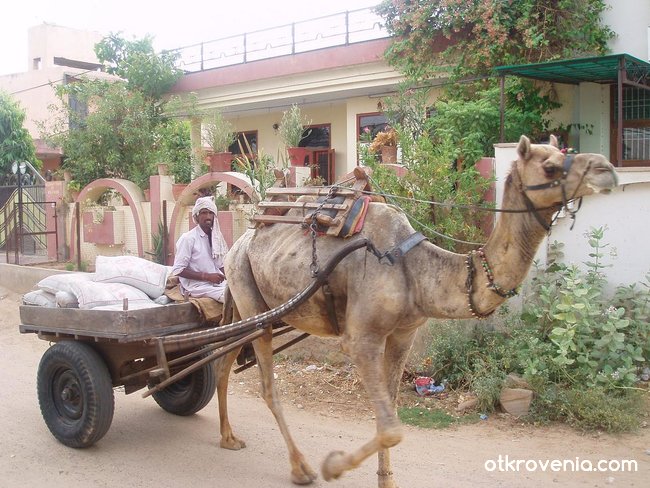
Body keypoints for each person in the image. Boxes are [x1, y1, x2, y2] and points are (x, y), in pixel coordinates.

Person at [171, 196, 229, 303]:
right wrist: (207, 276)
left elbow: (221, 265)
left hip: (217, 284)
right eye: (203, 213)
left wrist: (231, 279)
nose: (208, 216)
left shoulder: (216, 238)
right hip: (196, 285)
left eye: (210, 213)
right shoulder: (188, 238)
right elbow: (178, 270)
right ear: (196, 217)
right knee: (231, 298)